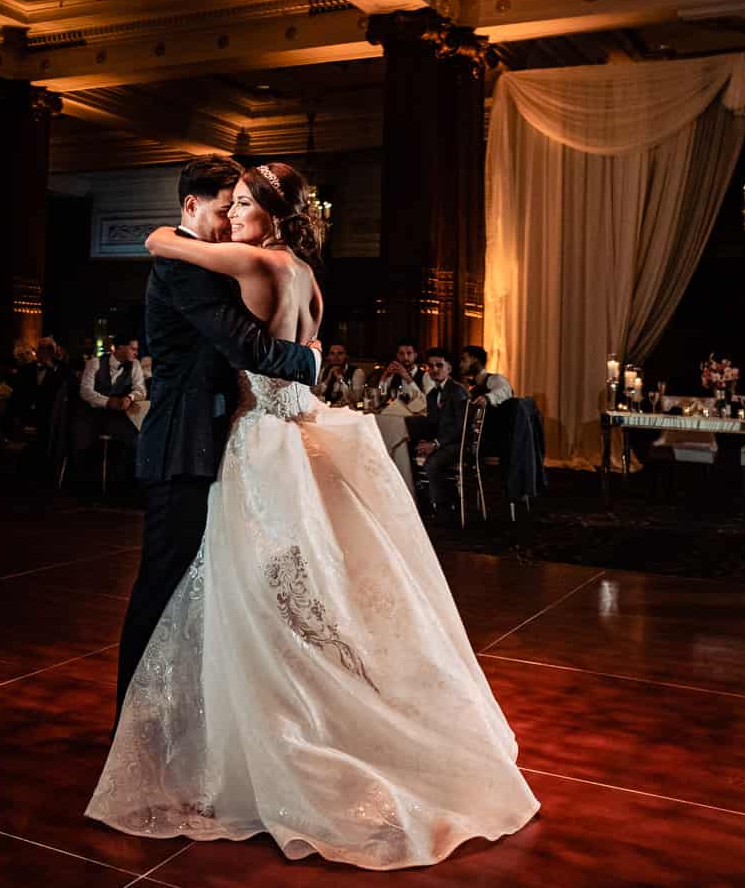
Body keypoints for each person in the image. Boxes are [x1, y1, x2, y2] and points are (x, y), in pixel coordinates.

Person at [90, 159, 535, 869]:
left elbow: (246, 343)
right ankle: (214, 724)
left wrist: (159, 238)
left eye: (242, 204)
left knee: (255, 598)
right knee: (279, 591)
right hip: (278, 434)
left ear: (265, 213)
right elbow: (270, 342)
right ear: (196, 202)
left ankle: (264, 731)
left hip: (257, 443)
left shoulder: (242, 260)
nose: (231, 214)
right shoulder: (301, 272)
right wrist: (308, 360)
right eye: (224, 203)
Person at [71, 335, 145, 486]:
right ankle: (84, 485)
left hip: (116, 417)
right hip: (92, 415)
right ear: (119, 348)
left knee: (135, 439)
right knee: (84, 442)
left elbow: (141, 389)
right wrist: (107, 402)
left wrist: (129, 397)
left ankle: (120, 484)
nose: (136, 353)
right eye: (133, 349)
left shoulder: (135, 365)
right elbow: (85, 392)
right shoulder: (95, 363)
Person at [409, 348, 471, 518]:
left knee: (433, 462)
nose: (434, 369)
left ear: (449, 368)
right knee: (408, 454)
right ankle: (422, 504)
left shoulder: (458, 391)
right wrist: (424, 441)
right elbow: (433, 425)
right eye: (430, 366)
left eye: (439, 365)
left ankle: (443, 509)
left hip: (460, 443)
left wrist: (435, 444)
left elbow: (460, 428)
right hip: (443, 441)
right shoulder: (432, 394)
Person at [374, 341, 427, 407]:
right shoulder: (393, 375)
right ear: (397, 356)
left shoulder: (425, 376)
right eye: (401, 354)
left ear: (415, 355)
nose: (405, 357)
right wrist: (385, 375)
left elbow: (423, 402)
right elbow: (380, 394)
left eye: (409, 353)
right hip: (394, 414)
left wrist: (408, 378)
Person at [316, 343, 366, 407]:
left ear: (346, 356)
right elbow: (315, 394)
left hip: (348, 413)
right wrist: (328, 379)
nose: (336, 357)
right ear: (328, 357)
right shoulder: (324, 371)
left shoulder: (357, 372)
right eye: (332, 354)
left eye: (340, 353)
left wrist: (340, 379)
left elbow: (356, 398)